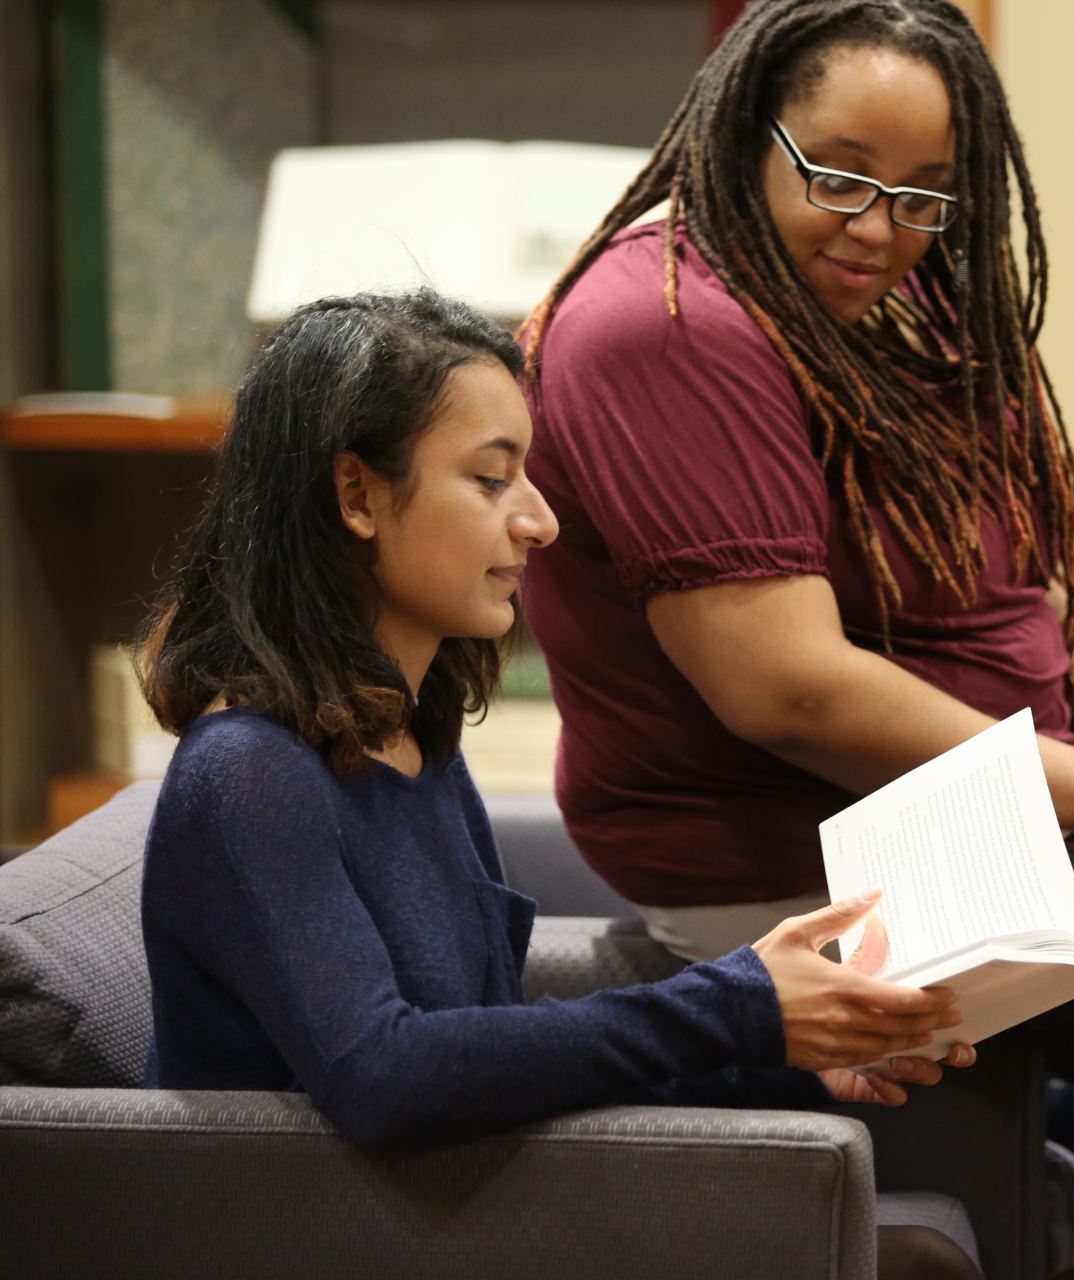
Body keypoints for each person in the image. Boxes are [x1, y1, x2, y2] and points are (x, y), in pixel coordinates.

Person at [516, 3, 1074, 1275]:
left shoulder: (909, 302)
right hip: (821, 858)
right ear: (740, 134)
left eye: (927, 196)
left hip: (997, 807)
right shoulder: (667, 322)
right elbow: (786, 689)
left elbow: (1051, 561)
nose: (881, 227)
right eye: (838, 175)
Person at [136, 290, 977, 1169]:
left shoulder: (415, 739)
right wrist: (734, 1006)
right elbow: (385, 1078)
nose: (542, 520)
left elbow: (488, 1056)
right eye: (492, 479)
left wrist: (797, 1063)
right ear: (357, 493)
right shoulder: (247, 774)